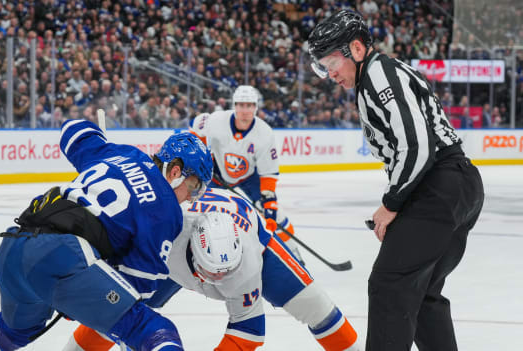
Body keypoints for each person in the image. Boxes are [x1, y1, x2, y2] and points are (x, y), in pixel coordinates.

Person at [307, 10, 484, 351]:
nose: (329, 74)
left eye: (331, 62)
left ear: (356, 49)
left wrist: (391, 205)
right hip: (453, 187)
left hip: (441, 184)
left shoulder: (379, 75)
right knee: (422, 293)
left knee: (390, 285)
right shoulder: (373, 78)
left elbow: (417, 145)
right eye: (321, 66)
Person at [0, 119, 214, 351]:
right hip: (62, 259)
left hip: (15, 248)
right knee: (154, 330)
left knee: (8, 334)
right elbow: (140, 288)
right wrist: (87, 295)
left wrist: (102, 145)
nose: (190, 197)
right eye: (193, 186)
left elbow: (73, 130)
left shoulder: (123, 153)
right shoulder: (167, 211)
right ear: (175, 172)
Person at [64, 188, 360, 351]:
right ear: (192, 250)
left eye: (223, 273)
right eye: (212, 272)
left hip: (253, 236)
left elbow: (250, 332)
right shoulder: (166, 233)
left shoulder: (246, 264)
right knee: (118, 309)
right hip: (173, 262)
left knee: (317, 306)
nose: (217, 281)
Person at [189, 85, 304, 262]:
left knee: (276, 216)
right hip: (217, 174)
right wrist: (202, 157)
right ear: (234, 105)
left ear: (256, 107)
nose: (245, 110)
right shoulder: (217, 120)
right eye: (241, 105)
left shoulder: (264, 133)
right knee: (195, 209)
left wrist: (269, 204)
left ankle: (294, 254)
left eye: (250, 105)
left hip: (249, 177)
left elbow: (268, 174)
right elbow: (196, 135)